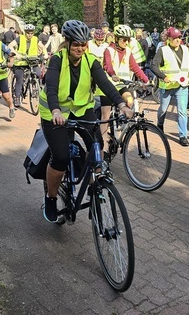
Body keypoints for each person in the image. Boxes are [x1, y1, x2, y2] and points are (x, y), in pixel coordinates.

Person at [38, 20, 133, 223]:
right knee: (61, 157)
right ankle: (51, 198)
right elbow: (52, 87)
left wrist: (121, 104)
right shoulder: (57, 60)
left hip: (81, 110)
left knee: (96, 145)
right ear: (68, 43)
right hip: (54, 114)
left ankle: (95, 186)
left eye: (83, 44)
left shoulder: (91, 61)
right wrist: (55, 110)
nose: (80, 48)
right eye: (76, 44)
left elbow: (106, 84)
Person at [100, 25, 149, 138]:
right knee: (105, 116)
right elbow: (107, 66)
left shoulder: (128, 51)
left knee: (130, 100)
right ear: (117, 38)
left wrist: (146, 80)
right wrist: (112, 74)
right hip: (107, 85)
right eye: (124, 39)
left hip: (121, 85)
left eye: (129, 40)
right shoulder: (109, 50)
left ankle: (121, 123)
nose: (126, 42)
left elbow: (135, 67)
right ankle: (104, 144)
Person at [151, 27, 189, 147]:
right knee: (163, 109)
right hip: (168, 86)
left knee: (182, 111)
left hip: (182, 85)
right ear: (169, 39)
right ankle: (160, 124)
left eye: (179, 38)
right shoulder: (162, 50)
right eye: (175, 38)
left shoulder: (185, 50)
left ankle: (183, 136)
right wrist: (163, 76)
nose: (178, 40)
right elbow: (154, 65)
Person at [9, 24, 42, 108]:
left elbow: (43, 47)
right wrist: (17, 54)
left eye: (31, 33)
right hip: (20, 63)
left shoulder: (36, 39)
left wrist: (44, 54)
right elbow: (10, 46)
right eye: (28, 33)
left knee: (38, 73)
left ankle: (34, 86)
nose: (30, 35)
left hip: (31, 62)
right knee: (19, 79)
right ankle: (17, 97)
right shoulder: (20, 38)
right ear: (25, 32)